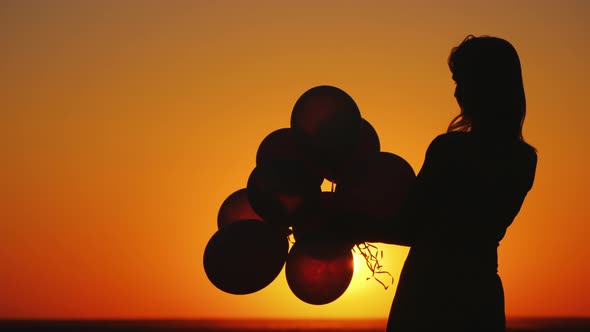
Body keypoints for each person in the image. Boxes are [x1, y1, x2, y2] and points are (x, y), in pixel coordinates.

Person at [350, 35, 537, 331]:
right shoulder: (525, 160)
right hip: (481, 296)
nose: (457, 93)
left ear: (485, 85)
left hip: (429, 294)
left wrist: (351, 225)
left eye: (462, 81)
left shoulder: (450, 150)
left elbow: (411, 227)